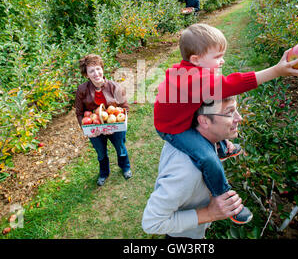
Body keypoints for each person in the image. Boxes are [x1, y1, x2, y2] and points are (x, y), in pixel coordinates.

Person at [153, 23, 298, 224]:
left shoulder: (189, 71)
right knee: (208, 158)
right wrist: (277, 71)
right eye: (217, 57)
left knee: (213, 114)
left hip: (177, 115)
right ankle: (225, 199)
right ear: (196, 60)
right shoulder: (195, 80)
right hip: (173, 129)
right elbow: (231, 84)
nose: (222, 60)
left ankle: (221, 146)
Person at [142, 97, 247, 239]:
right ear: (204, 121)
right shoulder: (185, 174)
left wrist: (220, 142)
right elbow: (151, 223)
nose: (239, 118)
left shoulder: (197, 133)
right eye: (230, 112)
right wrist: (209, 214)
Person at [75, 54, 132, 186]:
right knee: (101, 152)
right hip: (94, 127)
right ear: (86, 75)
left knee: (121, 148)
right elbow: (79, 113)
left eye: (98, 68)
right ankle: (104, 173)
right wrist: (87, 130)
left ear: (102, 69)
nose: (96, 73)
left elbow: (125, 108)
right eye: (91, 71)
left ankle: (125, 167)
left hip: (115, 125)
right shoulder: (82, 90)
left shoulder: (114, 86)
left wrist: (112, 126)